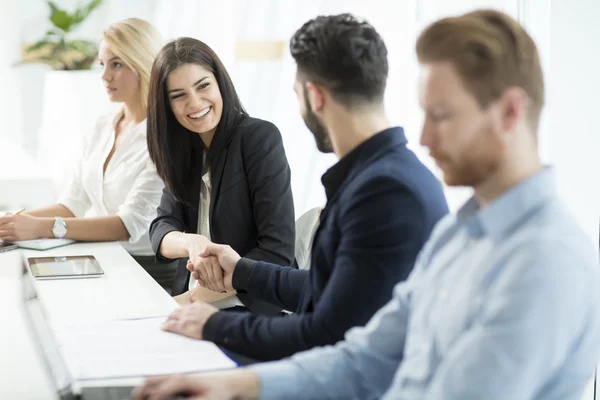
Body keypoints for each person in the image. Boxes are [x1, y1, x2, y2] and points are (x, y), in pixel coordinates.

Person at [133, 10, 600, 400]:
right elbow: (363, 356)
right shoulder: (461, 234)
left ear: (510, 112)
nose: (424, 137)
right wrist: (238, 384)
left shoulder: (545, 260)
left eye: (441, 116)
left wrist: (219, 332)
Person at [156, 14, 448, 362]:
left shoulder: (384, 190)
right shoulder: (379, 177)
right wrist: (241, 270)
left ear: (314, 96)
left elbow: (327, 333)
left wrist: (213, 325)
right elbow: (327, 291)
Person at [0, 19, 171, 287]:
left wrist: (41, 227)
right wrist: (13, 222)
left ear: (143, 63)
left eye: (117, 64)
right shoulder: (102, 127)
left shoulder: (163, 139)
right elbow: (73, 203)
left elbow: (128, 226)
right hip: (102, 256)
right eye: (102, 64)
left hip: (147, 271)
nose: (104, 76)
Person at [146, 38, 295, 313]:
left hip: (251, 304)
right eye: (178, 95)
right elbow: (160, 230)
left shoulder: (258, 138)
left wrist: (192, 299)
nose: (195, 102)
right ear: (166, 105)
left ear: (220, 83)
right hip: (194, 301)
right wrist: (192, 242)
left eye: (203, 86)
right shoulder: (183, 151)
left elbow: (277, 250)